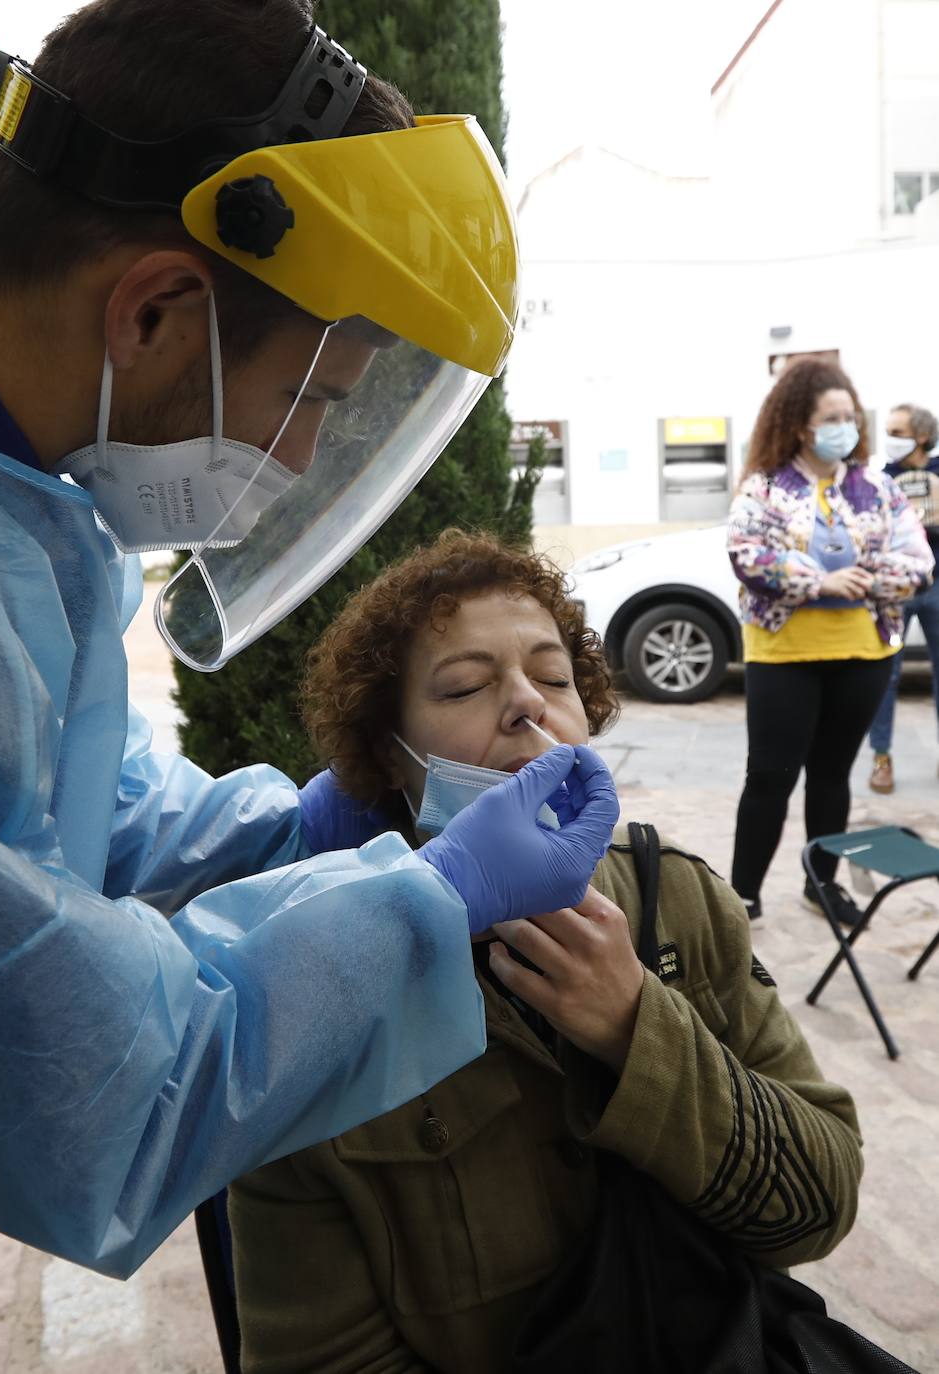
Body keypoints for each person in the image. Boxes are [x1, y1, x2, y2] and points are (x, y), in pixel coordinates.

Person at [0, 5, 623, 1371]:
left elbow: (77, 819)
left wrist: (325, 819)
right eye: (314, 401)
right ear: (157, 310)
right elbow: (106, 1087)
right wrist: (433, 901)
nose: (299, 455)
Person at [227, 530, 864, 1374]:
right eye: (463, 685)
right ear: (389, 751)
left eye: (555, 676)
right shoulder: (316, 991)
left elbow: (817, 1206)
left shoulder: (677, 898)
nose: (528, 703)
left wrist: (638, 1028)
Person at [727, 359, 933, 926]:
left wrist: (861, 576)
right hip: (783, 654)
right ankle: (742, 895)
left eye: (849, 416)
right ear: (799, 425)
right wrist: (819, 581)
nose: (844, 426)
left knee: (832, 774)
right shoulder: (764, 487)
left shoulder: (878, 487)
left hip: (864, 652)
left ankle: (822, 883)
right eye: (830, 417)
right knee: (770, 775)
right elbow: (748, 556)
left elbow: (919, 563)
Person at [867, 403, 939, 793]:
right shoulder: (881, 479)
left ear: (922, 436)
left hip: (938, 586)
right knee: (884, 677)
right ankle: (882, 759)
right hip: (896, 590)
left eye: (897, 431)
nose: (890, 438)